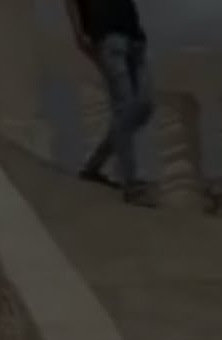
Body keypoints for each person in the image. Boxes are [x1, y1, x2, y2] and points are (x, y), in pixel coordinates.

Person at [65, 0, 155, 206]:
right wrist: (79, 33)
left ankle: (93, 166)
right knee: (125, 106)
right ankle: (131, 183)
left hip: (135, 37)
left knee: (144, 106)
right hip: (108, 37)